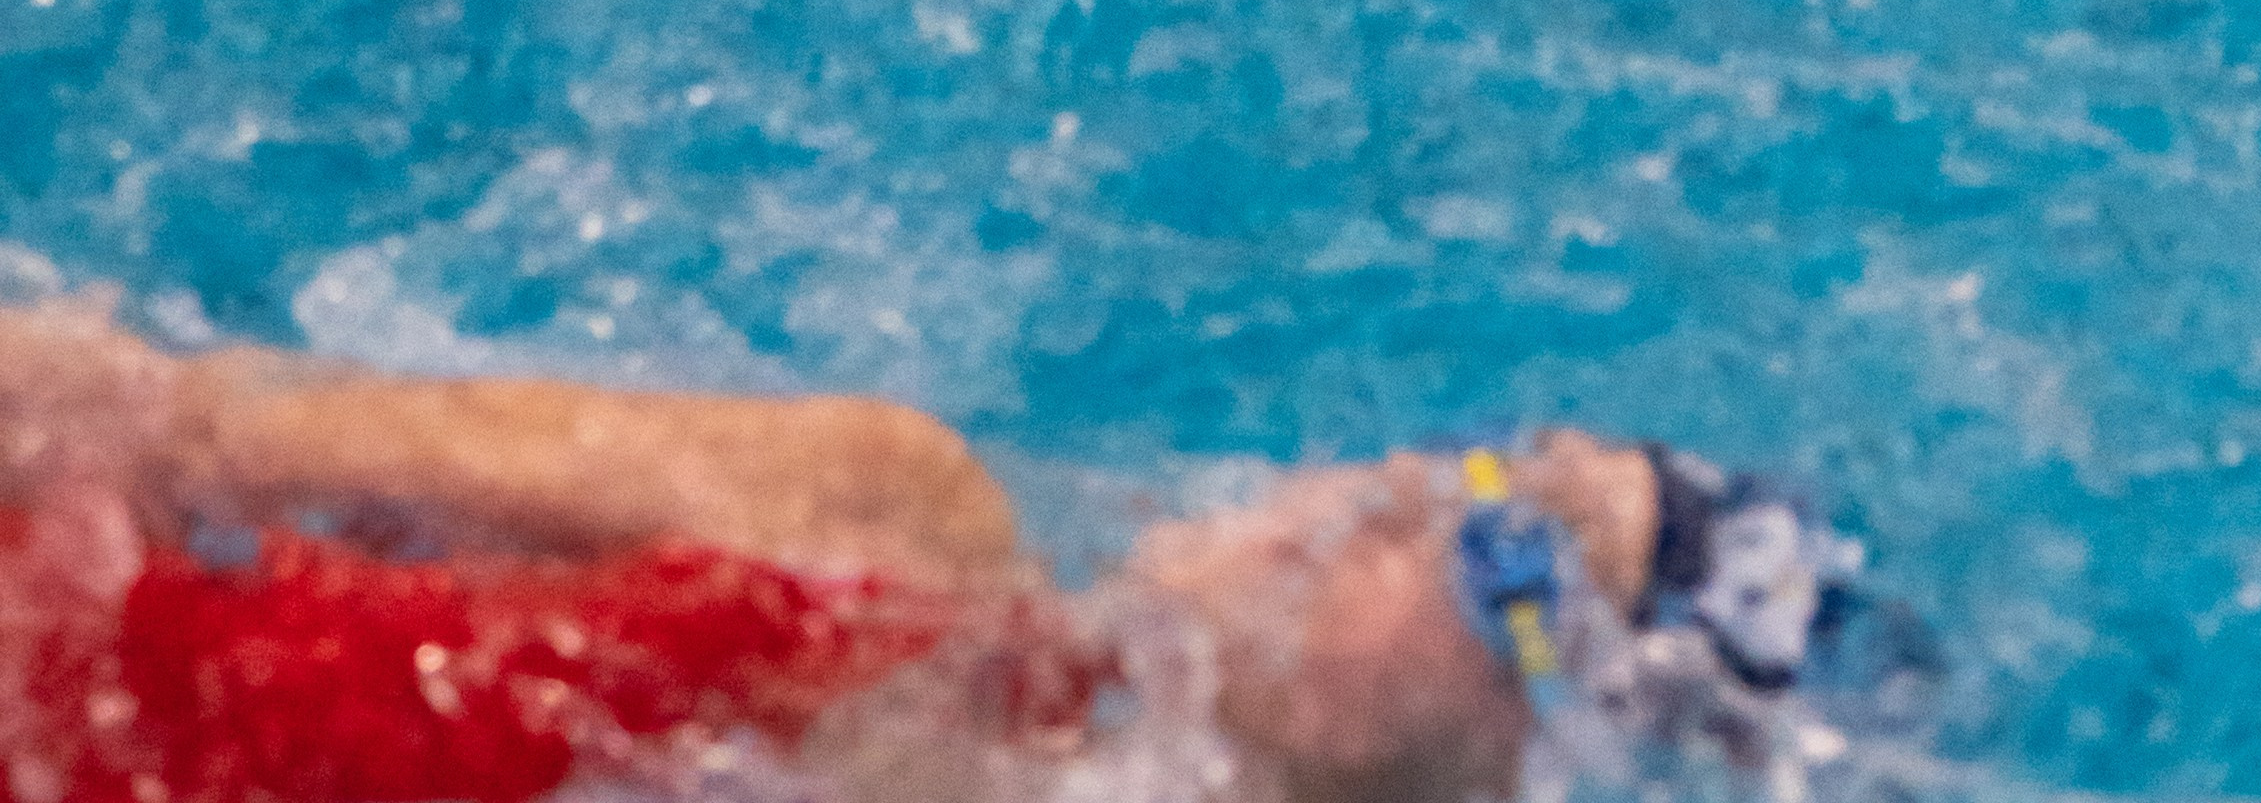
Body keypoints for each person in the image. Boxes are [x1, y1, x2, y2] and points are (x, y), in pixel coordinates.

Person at [0, 297, 1903, 803]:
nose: (1423, 487)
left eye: (1531, 554)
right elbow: (147, 417)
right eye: (1498, 456)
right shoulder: (883, 521)